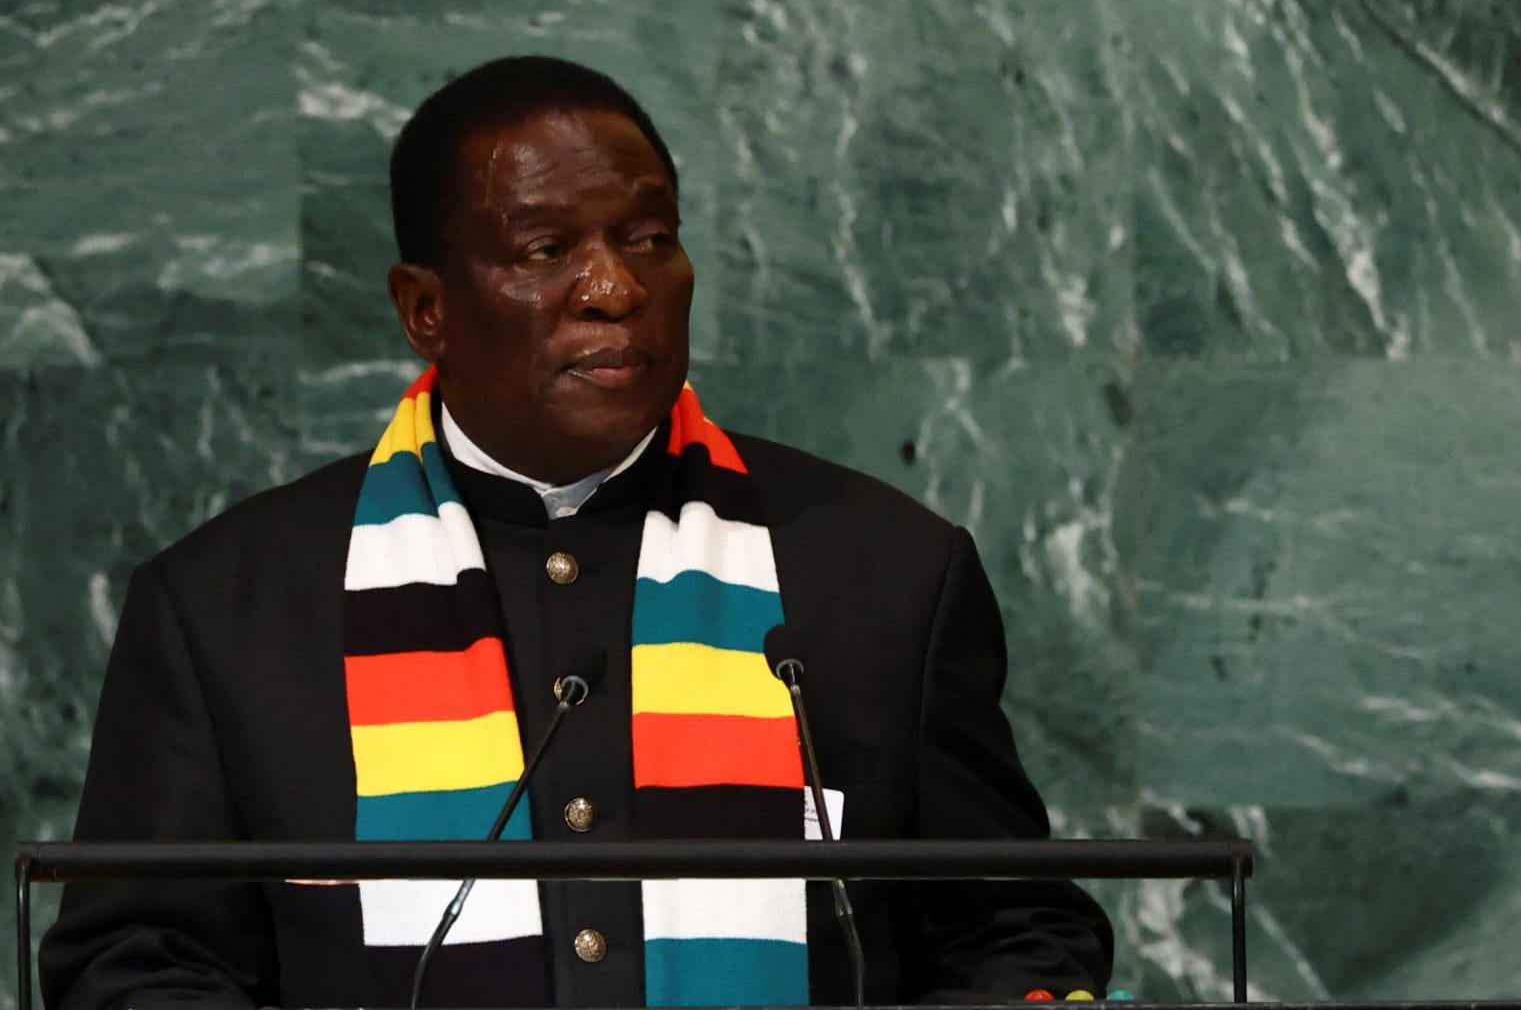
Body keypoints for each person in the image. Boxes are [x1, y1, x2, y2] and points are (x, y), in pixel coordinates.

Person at [39, 56, 1114, 1009]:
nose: (616, 287)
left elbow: (1013, 934)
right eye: (546, 247)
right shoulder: (228, 611)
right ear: (425, 308)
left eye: (649, 238)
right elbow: (138, 960)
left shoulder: (883, 573)